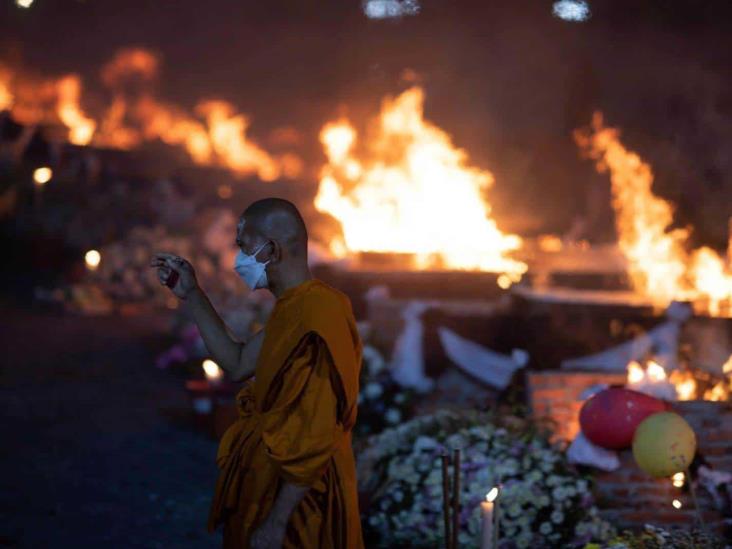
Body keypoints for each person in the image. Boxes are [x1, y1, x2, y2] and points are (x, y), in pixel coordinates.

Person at [150, 198, 363, 549]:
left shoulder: (322, 311)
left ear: (272, 250)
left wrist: (277, 522)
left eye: (244, 246)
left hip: (300, 504)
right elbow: (236, 363)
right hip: (268, 481)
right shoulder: (292, 308)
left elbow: (317, 430)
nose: (237, 259)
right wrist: (192, 294)